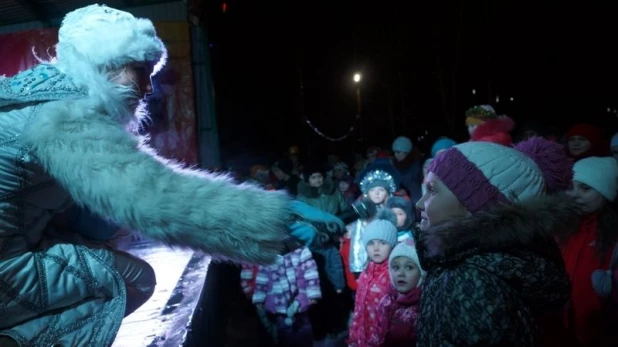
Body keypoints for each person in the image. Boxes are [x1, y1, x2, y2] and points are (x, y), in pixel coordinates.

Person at [0, 4, 295, 346]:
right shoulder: (65, 116)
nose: (148, 87)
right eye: (139, 70)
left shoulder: (32, 94)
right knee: (132, 278)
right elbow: (155, 196)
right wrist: (274, 219)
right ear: (103, 65)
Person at [414, 137, 577, 346]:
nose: (420, 203)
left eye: (432, 190)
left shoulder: (469, 281)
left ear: (474, 205)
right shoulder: (489, 261)